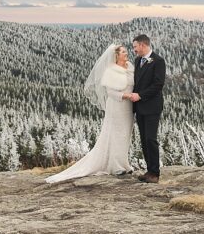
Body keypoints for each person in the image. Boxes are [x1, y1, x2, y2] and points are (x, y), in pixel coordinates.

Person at [44, 43, 135, 184]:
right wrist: (127, 96)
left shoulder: (130, 67)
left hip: (128, 107)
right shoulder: (111, 70)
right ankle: (116, 166)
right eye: (123, 52)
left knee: (125, 134)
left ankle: (124, 163)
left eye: (125, 51)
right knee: (115, 134)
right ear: (116, 55)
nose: (126, 53)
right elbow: (110, 92)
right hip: (117, 106)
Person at [123, 33, 166, 183]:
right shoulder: (138, 60)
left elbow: (158, 85)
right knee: (144, 139)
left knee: (151, 139)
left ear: (143, 45)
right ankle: (149, 171)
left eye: (135, 47)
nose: (134, 50)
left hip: (152, 106)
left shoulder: (158, 61)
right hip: (140, 107)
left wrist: (140, 95)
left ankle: (155, 173)